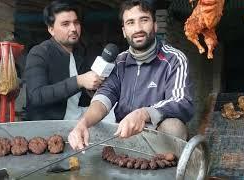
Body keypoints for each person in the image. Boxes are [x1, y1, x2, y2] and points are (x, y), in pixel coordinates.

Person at [68, 0, 194, 150]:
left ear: (155, 25)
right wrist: (83, 123)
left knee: (174, 127)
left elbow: (181, 101)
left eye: (144, 20)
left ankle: (170, 169)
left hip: (159, 139)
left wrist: (143, 113)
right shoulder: (119, 62)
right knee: (93, 123)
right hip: (124, 136)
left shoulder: (174, 59)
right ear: (124, 31)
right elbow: (103, 99)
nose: (138, 28)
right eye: (130, 23)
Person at [24, 1, 104, 120]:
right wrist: (79, 81)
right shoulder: (39, 53)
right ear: (51, 29)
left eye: (76, 23)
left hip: (77, 120)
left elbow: (78, 98)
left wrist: (92, 88)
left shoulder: (80, 53)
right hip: (49, 127)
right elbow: (36, 96)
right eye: (65, 24)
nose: (73, 28)